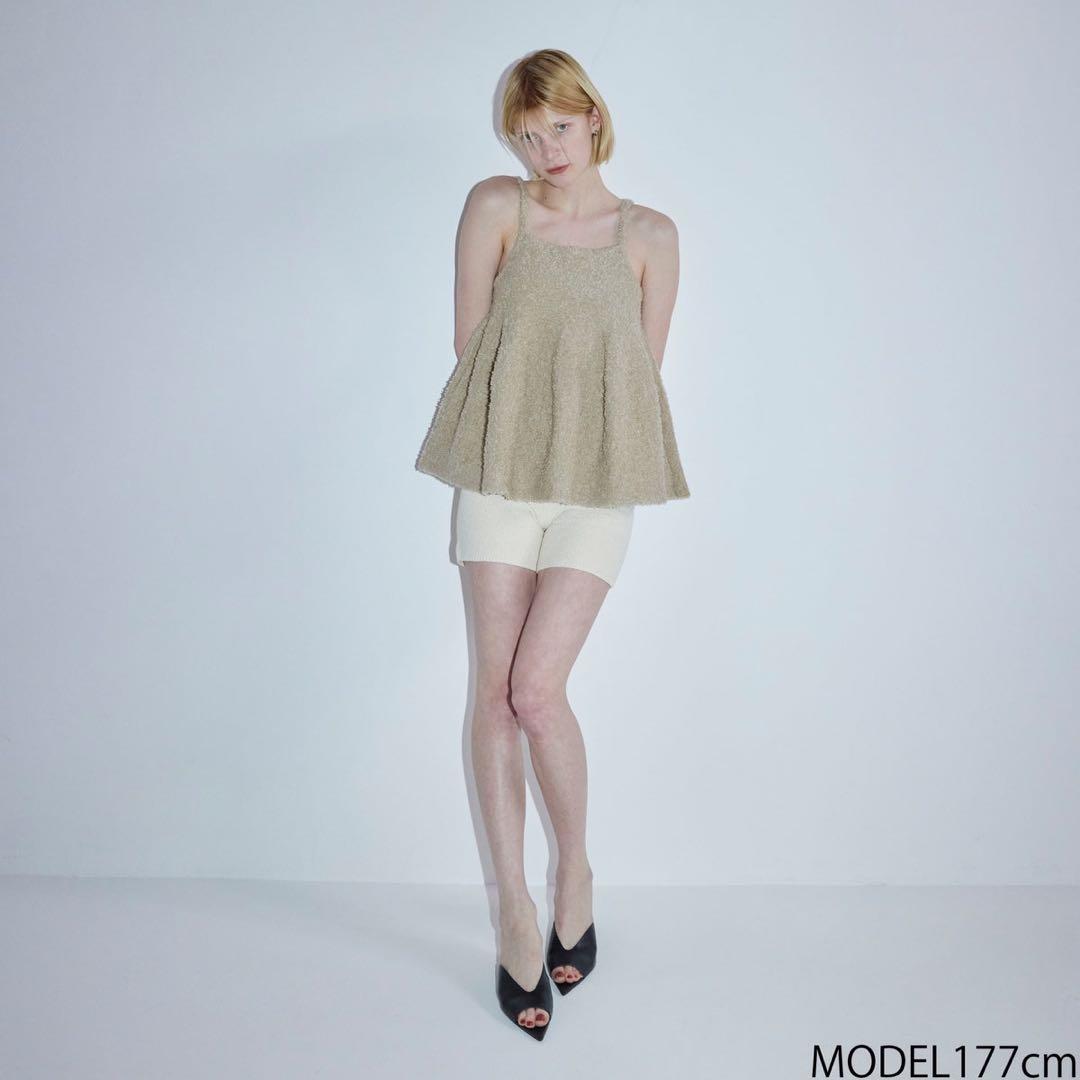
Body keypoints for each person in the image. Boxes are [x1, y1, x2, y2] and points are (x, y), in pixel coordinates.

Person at [414, 48, 690, 1040]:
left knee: (536, 691)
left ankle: (574, 869)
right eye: (527, 136)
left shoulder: (651, 236)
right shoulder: (497, 208)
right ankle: (515, 912)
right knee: (494, 694)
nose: (545, 151)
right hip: (499, 477)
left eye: (559, 129)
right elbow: (471, 345)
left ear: (593, 117)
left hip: (593, 491)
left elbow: (638, 378)